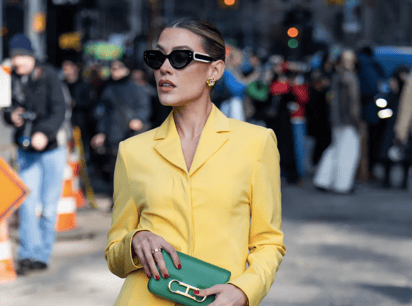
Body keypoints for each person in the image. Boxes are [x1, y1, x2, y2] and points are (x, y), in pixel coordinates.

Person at [105, 18, 286, 306]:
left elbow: (268, 242)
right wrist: (134, 241)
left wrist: (244, 290)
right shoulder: (132, 151)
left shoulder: (256, 143)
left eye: (179, 57)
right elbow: (115, 254)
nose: (164, 68)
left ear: (214, 70)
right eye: (157, 57)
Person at [2, 34, 66, 275]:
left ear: (32, 56)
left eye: (22, 56)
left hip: (51, 149)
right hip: (26, 150)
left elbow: (59, 109)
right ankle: (28, 253)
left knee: (49, 206)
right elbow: (6, 110)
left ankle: (42, 255)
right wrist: (12, 117)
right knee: (28, 205)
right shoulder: (10, 78)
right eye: (15, 56)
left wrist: (44, 133)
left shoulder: (48, 74)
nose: (18, 61)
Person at [91, 55, 151, 205]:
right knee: (114, 168)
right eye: (112, 68)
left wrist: (139, 119)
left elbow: (144, 107)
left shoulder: (136, 88)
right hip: (113, 134)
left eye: (118, 68)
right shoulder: (108, 89)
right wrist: (101, 132)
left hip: (130, 135)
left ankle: (134, 201)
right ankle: (117, 201)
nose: (114, 71)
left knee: (132, 169)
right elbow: (103, 113)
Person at [313, 49, 362, 193]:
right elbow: (353, 103)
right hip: (347, 121)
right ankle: (342, 184)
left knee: (335, 149)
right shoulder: (350, 78)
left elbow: (332, 100)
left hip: (336, 120)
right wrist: (356, 121)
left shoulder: (336, 76)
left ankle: (324, 179)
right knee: (348, 152)